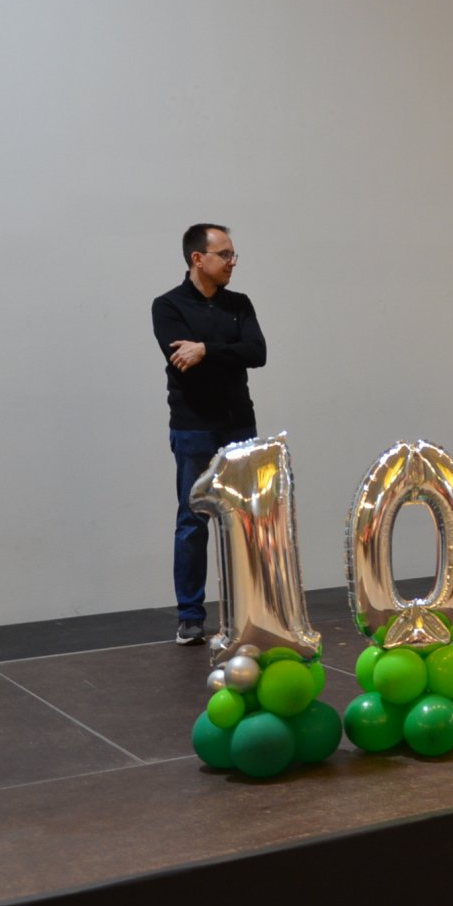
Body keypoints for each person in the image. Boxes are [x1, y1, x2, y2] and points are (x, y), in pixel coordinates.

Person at [150, 224, 266, 645]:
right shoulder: (168, 306)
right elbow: (183, 364)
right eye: (225, 255)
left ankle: (247, 612)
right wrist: (220, 355)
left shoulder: (240, 304)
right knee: (193, 520)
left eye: (233, 255)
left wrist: (205, 350)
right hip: (194, 427)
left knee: (246, 522)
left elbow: (257, 353)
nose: (233, 262)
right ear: (198, 259)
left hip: (240, 426)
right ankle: (190, 617)